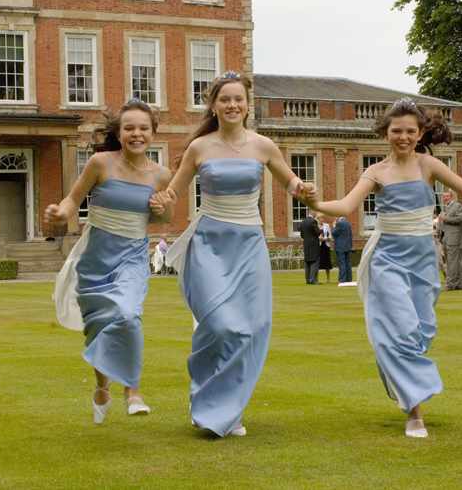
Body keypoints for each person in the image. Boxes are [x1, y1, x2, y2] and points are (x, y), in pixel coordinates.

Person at [305, 98, 462, 438]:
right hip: (387, 258)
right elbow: (345, 205)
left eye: (409, 131)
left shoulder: (427, 165)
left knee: (419, 333)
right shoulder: (375, 172)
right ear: (385, 133)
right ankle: (415, 413)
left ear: (420, 134)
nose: (403, 137)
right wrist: (313, 202)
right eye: (396, 131)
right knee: (400, 328)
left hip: (422, 258)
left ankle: (399, 377)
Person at [150, 71, 315, 438]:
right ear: (213, 105)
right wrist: (161, 200)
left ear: (246, 104)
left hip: (249, 243)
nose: (232, 105)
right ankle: (208, 398)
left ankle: (227, 408)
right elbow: (174, 193)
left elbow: (291, 183)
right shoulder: (200, 147)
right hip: (209, 242)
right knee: (221, 325)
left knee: (250, 328)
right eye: (225, 99)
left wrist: (303, 187)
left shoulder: (263, 146)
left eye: (238, 99)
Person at [48, 99, 171, 424]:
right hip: (95, 259)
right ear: (118, 132)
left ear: (153, 133)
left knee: (128, 315)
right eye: (129, 127)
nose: (136, 133)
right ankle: (102, 386)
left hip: (132, 257)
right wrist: (61, 212)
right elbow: (73, 199)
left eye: (143, 128)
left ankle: (133, 391)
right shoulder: (100, 163)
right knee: (100, 328)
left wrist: (161, 208)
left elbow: (165, 218)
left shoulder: (161, 175)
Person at [438, 191, 462, 290]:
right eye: (443, 197)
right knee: (454, 262)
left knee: (452, 262)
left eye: (447, 196)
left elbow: (460, 218)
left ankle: (450, 284)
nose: (445, 198)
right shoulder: (446, 207)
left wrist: (445, 218)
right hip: (447, 238)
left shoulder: (457, 205)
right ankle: (458, 284)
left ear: (451, 197)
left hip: (455, 238)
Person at [300, 212, 321, 284]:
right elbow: (317, 232)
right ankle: (313, 280)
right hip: (314, 244)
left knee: (307, 262)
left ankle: (307, 280)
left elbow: (301, 232)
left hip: (306, 244)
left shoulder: (303, 221)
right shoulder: (313, 221)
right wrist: (321, 229)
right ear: (314, 214)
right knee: (314, 261)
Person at [332, 215, 354, 284]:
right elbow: (351, 235)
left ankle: (342, 279)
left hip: (340, 246)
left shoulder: (339, 224)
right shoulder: (348, 224)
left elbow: (334, 233)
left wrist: (334, 226)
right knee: (348, 263)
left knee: (342, 263)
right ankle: (349, 278)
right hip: (348, 246)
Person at [318, 215, 334, 283]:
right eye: (320, 219)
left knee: (327, 263)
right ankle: (316, 278)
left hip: (326, 245)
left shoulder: (326, 225)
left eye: (322, 218)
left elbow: (330, 235)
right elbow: (315, 236)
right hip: (319, 246)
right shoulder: (316, 226)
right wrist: (320, 238)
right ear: (318, 219)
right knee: (318, 262)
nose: (321, 220)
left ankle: (328, 279)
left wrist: (328, 238)